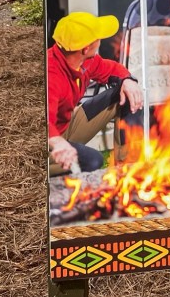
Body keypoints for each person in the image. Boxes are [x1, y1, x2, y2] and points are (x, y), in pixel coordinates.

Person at [47, 11, 144, 175]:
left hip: (66, 127)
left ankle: (128, 170)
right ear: (86, 48)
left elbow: (112, 69)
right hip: (48, 143)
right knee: (92, 161)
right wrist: (56, 142)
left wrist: (128, 80)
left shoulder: (85, 60)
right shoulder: (50, 75)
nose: (101, 40)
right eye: (98, 37)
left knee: (128, 94)